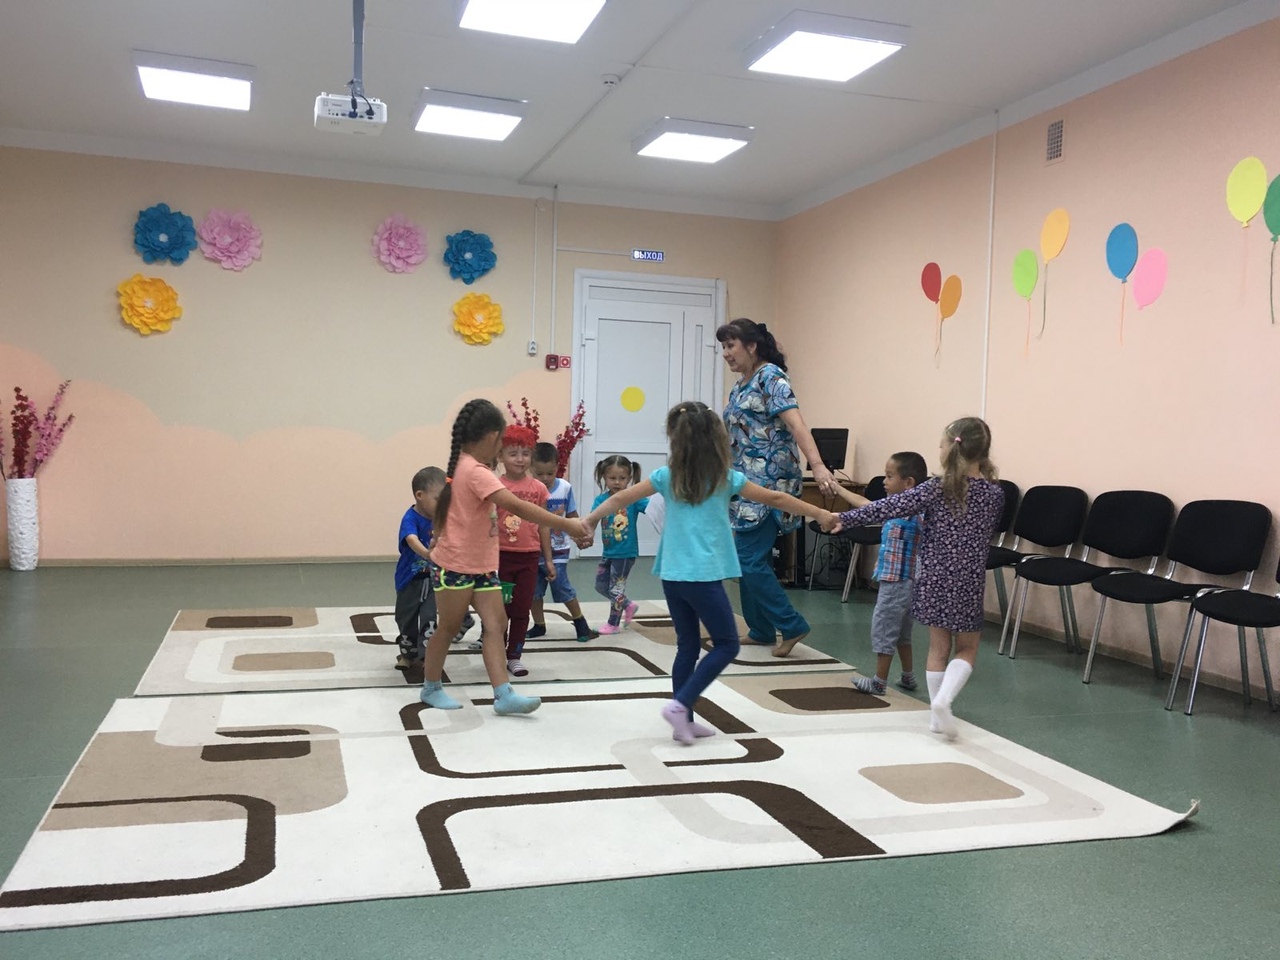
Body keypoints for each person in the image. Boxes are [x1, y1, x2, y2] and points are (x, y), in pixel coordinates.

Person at [584, 402, 839, 744]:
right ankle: (681, 706)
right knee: (727, 645)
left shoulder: (666, 476)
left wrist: (589, 521)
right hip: (702, 578)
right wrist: (819, 513)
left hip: (673, 576)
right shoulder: (725, 478)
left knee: (688, 646)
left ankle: (684, 722)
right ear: (718, 441)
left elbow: (619, 500)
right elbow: (776, 499)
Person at [824, 418, 1003, 740]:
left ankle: (937, 710)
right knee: (967, 647)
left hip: (933, 575)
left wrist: (844, 518)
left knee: (938, 647)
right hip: (968, 576)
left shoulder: (936, 488)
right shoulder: (995, 494)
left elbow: (889, 507)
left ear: (951, 449)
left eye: (941, 444)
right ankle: (944, 703)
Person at [421, 399, 590, 715]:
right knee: (449, 627)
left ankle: (503, 694)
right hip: (456, 565)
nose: (501, 447)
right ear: (490, 437)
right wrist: (569, 524)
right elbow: (517, 506)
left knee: (496, 624)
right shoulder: (475, 470)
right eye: (501, 440)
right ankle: (431, 687)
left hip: (483, 566)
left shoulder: (469, 467)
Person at [718, 318, 838, 658]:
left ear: (752, 346)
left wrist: (817, 465)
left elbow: (797, 424)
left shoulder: (771, 377)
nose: (726, 353)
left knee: (748, 559)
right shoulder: (740, 386)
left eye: (731, 345)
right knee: (748, 558)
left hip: (771, 481)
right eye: (723, 347)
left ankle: (791, 624)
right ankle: (760, 629)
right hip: (744, 483)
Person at [832, 452, 929, 695]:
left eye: (889, 476)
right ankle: (908, 676)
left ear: (908, 483)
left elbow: (870, 508)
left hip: (897, 580)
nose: (884, 482)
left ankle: (878, 682)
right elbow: (866, 505)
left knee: (884, 628)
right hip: (908, 580)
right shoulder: (903, 508)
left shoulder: (909, 511)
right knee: (903, 632)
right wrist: (839, 489)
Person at [496, 425, 553, 677]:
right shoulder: (495, 486)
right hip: (500, 557)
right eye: (513, 453)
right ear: (500, 456)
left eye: (525, 453)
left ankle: (514, 655)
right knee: (499, 610)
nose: (520, 459)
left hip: (529, 557)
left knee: (521, 610)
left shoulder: (539, 489)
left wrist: (548, 560)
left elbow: (544, 525)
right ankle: (496, 651)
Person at [527, 441, 597, 642]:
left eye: (550, 473)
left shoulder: (565, 488)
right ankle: (539, 624)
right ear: (531, 468)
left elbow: (572, 515)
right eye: (539, 474)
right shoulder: (528, 489)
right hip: (533, 549)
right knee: (534, 591)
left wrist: (581, 535)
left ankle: (580, 622)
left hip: (558, 549)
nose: (545, 478)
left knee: (562, 586)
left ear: (558, 467)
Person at [392, 467, 445, 670]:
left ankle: (427, 656)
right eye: (438, 499)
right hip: (409, 580)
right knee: (406, 618)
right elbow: (411, 539)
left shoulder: (441, 518)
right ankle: (407, 654)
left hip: (433, 579)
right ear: (420, 495)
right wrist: (427, 554)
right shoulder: (410, 518)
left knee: (429, 619)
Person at [591, 456, 649, 634]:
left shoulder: (633, 499)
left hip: (625, 553)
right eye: (612, 478)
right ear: (604, 477)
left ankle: (613, 624)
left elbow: (652, 509)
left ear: (629, 478)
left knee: (616, 589)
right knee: (601, 586)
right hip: (608, 551)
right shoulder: (601, 500)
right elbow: (592, 520)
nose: (617, 482)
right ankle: (628, 605)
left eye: (622, 478)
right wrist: (585, 536)